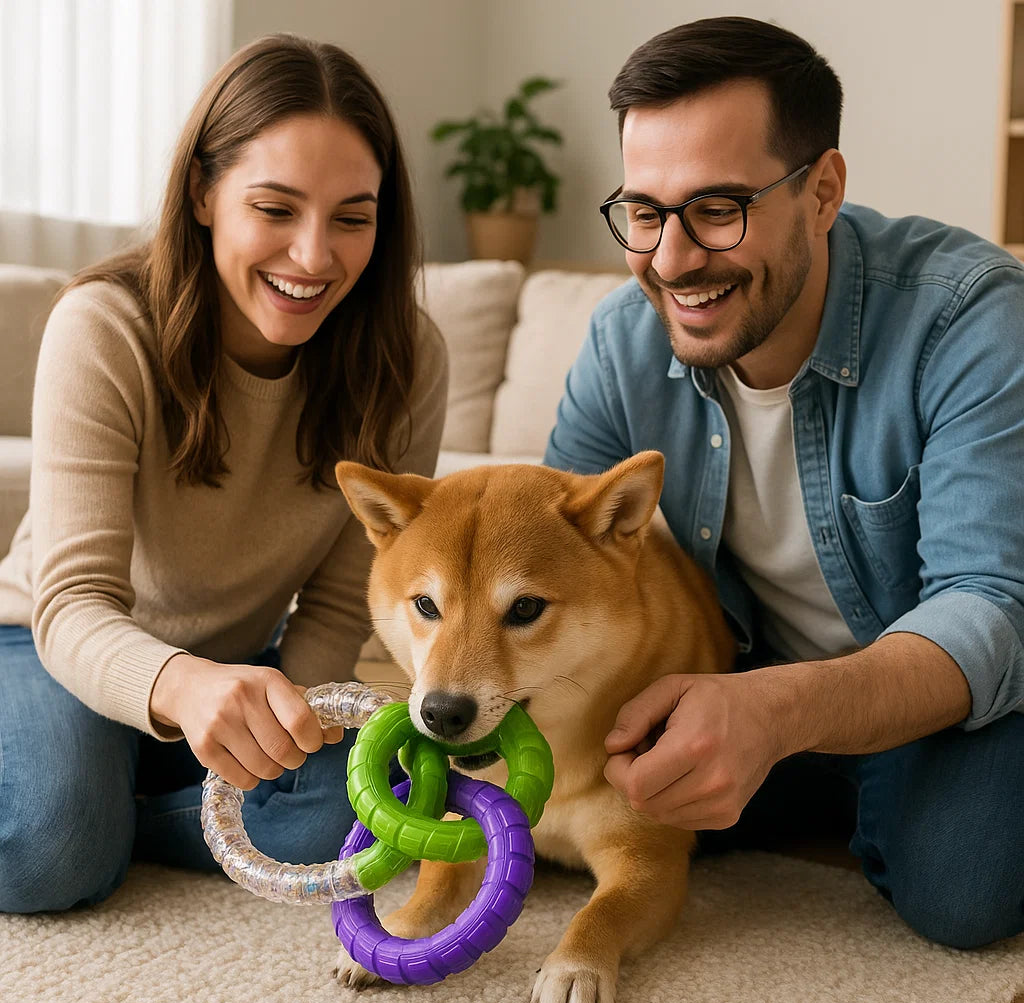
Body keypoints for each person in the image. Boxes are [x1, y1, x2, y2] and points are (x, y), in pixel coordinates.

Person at [545, 16, 1024, 949]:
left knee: (962, 890)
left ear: (823, 191)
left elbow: (992, 605)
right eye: (644, 212)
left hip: (925, 700)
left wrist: (777, 714)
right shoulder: (620, 342)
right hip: (734, 678)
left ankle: (853, 795)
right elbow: (565, 559)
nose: (673, 261)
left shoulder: (970, 316)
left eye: (719, 207)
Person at [0, 34, 447, 913]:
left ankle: (117, 802)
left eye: (352, 218)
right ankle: (93, 804)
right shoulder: (104, 325)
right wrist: (178, 686)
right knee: (48, 851)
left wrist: (295, 721)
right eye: (275, 209)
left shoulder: (409, 362)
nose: (314, 257)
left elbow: (334, 605)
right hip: (54, 644)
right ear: (204, 194)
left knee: (351, 824)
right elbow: (72, 602)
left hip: (244, 665)